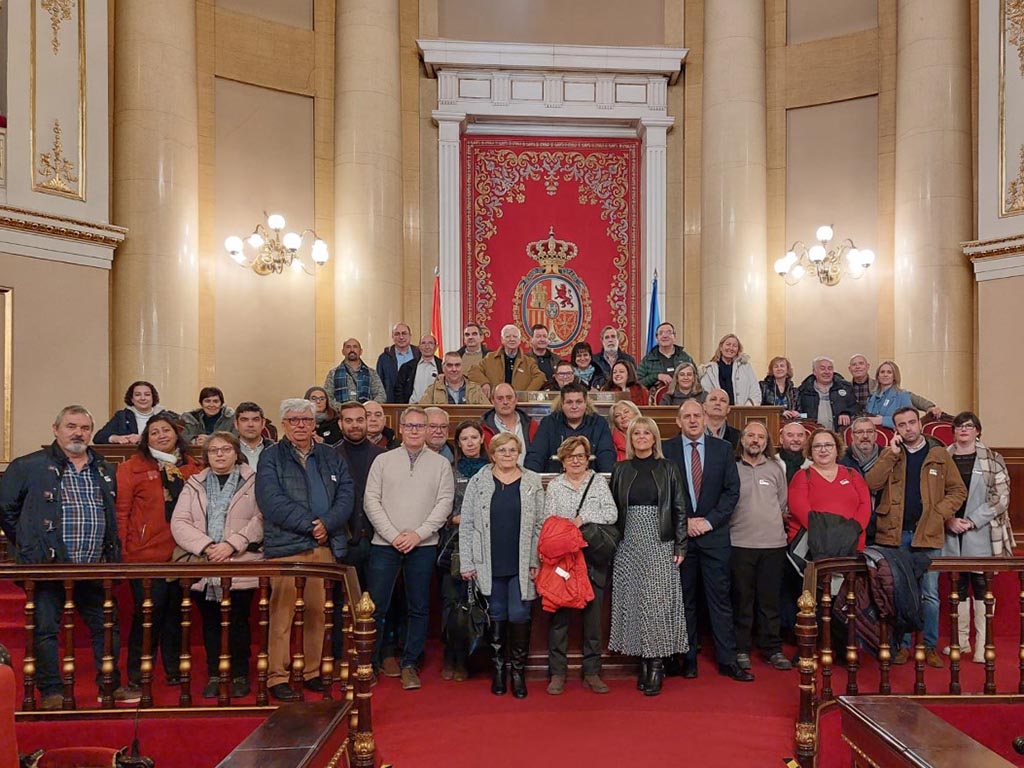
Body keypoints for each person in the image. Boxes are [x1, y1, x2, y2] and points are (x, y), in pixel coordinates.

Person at [0, 406, 136, 709]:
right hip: (46, 567)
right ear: (56, 429)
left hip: (93, 565)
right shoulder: (28, 466)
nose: (78, 433)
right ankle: (51, 691)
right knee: (46, 628)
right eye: (71, 426)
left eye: (85, 428)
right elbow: (6, 511)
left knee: (106, 626)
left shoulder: (104, 468)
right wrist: (28, 542)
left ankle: (110, 686)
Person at [256, 398, 354, 702]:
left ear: (315, 424)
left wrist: (327, 523)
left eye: (307, 420)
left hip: (324, 546)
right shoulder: (270, 457)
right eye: (294, 420)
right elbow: (270, 500)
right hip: (287, 547)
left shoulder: (330, 455)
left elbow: (346, 493)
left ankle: (312, 672)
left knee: (317, 614)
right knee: (282, 614)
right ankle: (278, 675)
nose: (301, 425)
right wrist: (311, 524)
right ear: (284, 424)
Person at [865, 407, 966, 667]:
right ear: (895, 429)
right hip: (895, 534)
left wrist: (939, 513)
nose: (908, 428)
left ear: (920, 425)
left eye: (912, 423)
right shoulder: (891, 454)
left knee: (929, 594)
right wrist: (890, 454)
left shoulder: (939, 454)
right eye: (902, 425)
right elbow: (871, 484)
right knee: (900, 592)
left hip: (928, 533)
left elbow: (957, 490)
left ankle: (929, 646)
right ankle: (902, 645)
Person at [364, 406, 455, 690]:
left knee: (419, 607)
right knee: (377, 607)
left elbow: (444, 504)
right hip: (384, 544)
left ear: (428, 430)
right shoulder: (383, 460)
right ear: (401, 428)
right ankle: (372, 661)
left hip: (423, 545)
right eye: (410, 425)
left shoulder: (440, 465)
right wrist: (393, 535)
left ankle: (410, 663)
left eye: (420, 426)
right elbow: (371, 501)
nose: (415, 430)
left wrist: (418, 534)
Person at [171, 432, 263, 700]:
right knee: (210, 622)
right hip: (205, 562)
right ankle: (215, 673)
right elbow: (180, 522)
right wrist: (208, 546)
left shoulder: (253, 481)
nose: (220, 454)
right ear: (206, 456)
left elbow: (260, 519)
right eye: (214, 451)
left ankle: (238, 674)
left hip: (240, 562)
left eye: (225, 449)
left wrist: (232, 544)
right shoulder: (194, 483)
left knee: (238, 621)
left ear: (236, 453)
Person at [663, 400, 750, 682]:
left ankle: (727, 660)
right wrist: (684, 522)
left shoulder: (722, 449)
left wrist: (709, 521)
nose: (692, 420)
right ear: (678, 421)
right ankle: (686, 659)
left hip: (714, 536)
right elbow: (662, 494)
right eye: (686, 416)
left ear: (704, 418)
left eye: (696, 415)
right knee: (683, 600)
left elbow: (731, 492)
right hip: (681, 537)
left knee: (720, 599)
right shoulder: (666, 450)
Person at [116, 413, 201, 693]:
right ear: (145, 438)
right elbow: (122, 512)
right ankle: (138, 674)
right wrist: (123, 551)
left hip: (181, 554)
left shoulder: (192, 467)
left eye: (166, 430)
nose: (161, 436)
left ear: (177, 435)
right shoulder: (132, 468)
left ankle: (174, 669)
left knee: (176, 615)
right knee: (148, 615)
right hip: (145, 554)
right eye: (154, 432)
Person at [458, 433, 544, 698]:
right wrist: (467, 561)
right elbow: (468, 524)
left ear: (519, 453)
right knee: (495, 614)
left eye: (512, 450)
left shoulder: (531, 481)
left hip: (521, 561)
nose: (507, 455)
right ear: (492, 454)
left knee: (519, 615)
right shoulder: (479, 481)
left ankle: (518, 672)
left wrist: (534, 560)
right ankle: (498, 671)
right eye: (502, 450)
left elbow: (541, 524)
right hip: (488, 561)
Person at [608, 417, 688, 696]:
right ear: (630, 439)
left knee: (656, 604)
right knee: (634, 603)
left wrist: (681, 545)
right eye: (636, 433)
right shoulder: (620, 469)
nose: (641, 437)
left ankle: (656, 664)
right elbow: (613, 509)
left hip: (660, 540)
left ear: (655, 438)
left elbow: (679, 507)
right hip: (628, 542)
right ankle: (643, 660)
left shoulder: (668, 468)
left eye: (646, 433)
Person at [542, 436, 618, 695]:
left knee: (593, 618)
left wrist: (582, 519)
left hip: (592, 557)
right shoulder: (554, 486)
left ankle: (593, 672)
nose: (576, 460)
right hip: (564, 560)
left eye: (581, 456)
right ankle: (557, 672)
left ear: (588, 459)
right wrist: (566, 529)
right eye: (571, 456)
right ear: (562, 460)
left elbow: (611, 514)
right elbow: (547, 521)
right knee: (559, 619)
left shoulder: (597, 482)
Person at [941, 411, 1012, 663]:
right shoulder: (943, 458)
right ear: (954, 431)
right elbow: (934, 495)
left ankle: (983, 645)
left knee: (982, 587)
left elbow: (1001, 497)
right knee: (957, 587)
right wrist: (948, 519)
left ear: (977, 431)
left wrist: (972, 521)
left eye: (969, 426)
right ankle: (961, 642)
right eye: (959, 426)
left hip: (980, 532)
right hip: (950, 531)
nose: (964, 430)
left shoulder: (993, 459)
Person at [730, 422, 791, 672]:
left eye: (761, 437)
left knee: (770, 602)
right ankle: (741, 648)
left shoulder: (776, 469)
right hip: (739, 543)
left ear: (767, 442)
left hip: (773, 545)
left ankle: (772, 649)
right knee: (741, 600)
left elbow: (782, 503)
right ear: (742, 440)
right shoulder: (731, 468)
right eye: (751, 436)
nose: (756, 440)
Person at [440, 421, 490, 682]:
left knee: (479, 602)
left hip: (486, 546)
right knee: (452, 603)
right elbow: (441, 506)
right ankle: (452, 657)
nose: (470, 442)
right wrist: (455, 518)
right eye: (464, 439)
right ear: (457, 443)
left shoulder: (494, 470)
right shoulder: (449, 470)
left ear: (482, 439)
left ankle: (475, 657)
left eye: (474, 437)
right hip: (455, 545)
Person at [787, 429, 872, 551]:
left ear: (837, 449)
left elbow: (865, 507)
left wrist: (851, 531)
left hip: (852, 543)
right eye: (817, 446)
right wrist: (831, 535)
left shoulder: (852, 474)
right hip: (815, 545)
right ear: (810, 451)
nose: (823, 450)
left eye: (828, 445)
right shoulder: (801, 476)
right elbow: (801, 511)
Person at [525, 382, 617, 473]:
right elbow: (536, 455)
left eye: (579, 402)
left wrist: (608, 479)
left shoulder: (599, 423)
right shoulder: (548, 423)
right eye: (569, 402)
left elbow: (606, 455)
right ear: (562, 404)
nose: (574, 406)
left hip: (591, 481)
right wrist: (530, 479)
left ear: (585, 403)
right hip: (555, 479)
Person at [848, 354, 941, 418]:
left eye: (861, 364)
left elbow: (913, 398)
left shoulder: (898, 393)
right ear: (849, 368)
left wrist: (929, 407)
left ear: (867, 366)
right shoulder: (846, 388)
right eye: (854, 365)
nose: (858, 367)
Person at [467, 324, 546, 397]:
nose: (511, 339)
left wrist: (526, 394)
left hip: (519, 405)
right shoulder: (490, 358)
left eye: (515, 336)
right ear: (502, 339)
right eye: (508, 336)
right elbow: (473, 371)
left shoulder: (529, 362)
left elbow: (540, 377)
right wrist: (484, 383)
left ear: (519, 340)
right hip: (495, 404)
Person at [865, 360, 943, 428]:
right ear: (878, 376)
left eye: (889, 372)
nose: (885, 375)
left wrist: (883, 420)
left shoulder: (902, 395)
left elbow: (909, 420)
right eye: (882, 372)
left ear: (894, 376)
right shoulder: (872, 397)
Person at [94, 380, 167, 444]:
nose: (143, 398)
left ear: (153, 398)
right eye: (138, 395)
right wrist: (116, 438)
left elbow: (175, 436)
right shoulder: (122, 416)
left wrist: (142, 438)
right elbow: (98, 438)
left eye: (147, 395)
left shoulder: (165, 416)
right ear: (132, 399)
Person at [479, 383, 538, 461]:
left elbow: (538, 455)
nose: (505, 402)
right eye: (500, 398)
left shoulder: (532, 425)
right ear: (492, 401)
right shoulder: (483, 428)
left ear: (516, 399)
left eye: (509, 398)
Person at [699, 333, 761, 406]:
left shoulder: (746, 367)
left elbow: (755, 390)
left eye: (734, 346)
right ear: (721, 347)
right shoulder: (709, 370)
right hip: (717, 412)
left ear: (738, 350)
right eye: (728, 344)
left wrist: (747, 408)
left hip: (742, 411)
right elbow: (706, 393)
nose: (731, 348)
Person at [795, 357, 856, 431]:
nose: (827, 372)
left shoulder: (846, 388)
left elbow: (855, 407)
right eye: (822, 368)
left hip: (839, 435)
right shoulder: (804, 391)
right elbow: (801, 414)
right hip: (813, 435)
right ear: (814, 372)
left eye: (830, 368)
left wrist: (847, 413)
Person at [324, 338, 387, 406]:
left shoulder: (371, 373)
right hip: (341, 414)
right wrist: (342, 408)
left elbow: (381, 396)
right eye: (348, 347)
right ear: (343, 351)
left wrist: (367, 408)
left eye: (355, 347)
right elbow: (327, 397)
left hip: (365, 414)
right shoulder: (333, 373)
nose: (352, 350)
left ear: (361, 351)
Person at [636, 322, 695, 389]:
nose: (665, 336)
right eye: (661, 333)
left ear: (674, 337)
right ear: (656, 339)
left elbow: (696, 379)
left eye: (669, 333)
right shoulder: (648, 360)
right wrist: (657, 376)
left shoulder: (685, 358)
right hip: (656, 397)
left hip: (683, 397)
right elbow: (637, 384)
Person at [419, 351, 489, 404]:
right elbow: (422, 413)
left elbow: (487, 412)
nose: (454, 369)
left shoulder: (476, 389)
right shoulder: (432, 390)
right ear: (443, 368)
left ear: (462, 367)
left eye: (457, 365)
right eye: (449, 365)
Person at [376, 323, 420, 403]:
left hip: (416, 404)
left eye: (404, 333)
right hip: (392, 404)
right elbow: (379, 384)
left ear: (410, 335)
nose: (401, 337)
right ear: (392, 337)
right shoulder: (384, 358)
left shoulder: (419, 355)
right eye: (397, 334)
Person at [396, 334, 442, 404]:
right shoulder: (407, 367)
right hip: (412, 408)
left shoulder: (442, 366)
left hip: (435, 409)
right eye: (423, 343)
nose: (427, 346)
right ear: (419, 347)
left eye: (430, 343)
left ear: (436, 347)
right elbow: (398, 390)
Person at [234, 402, 274, 468]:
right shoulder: (228, 450)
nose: (250, 424)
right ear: (236, 424)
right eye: (244, 420)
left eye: (255, 420)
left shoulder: (276, 450)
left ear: (263, 423)